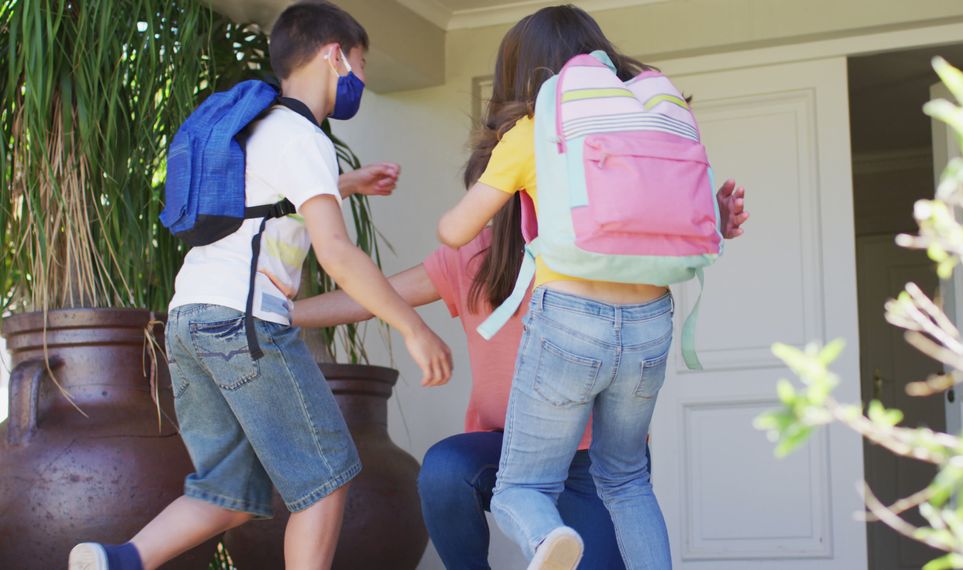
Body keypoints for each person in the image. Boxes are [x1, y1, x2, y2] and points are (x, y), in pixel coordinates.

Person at [67, 2, 452, 569]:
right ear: (335, 56)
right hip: (243, 322)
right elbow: (338, 253)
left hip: (191, 319)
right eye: (362, 64)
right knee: (325, 476)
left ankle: (118, 560)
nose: (362, 79)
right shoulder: (302, 135)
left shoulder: (256, 126)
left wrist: (343, 184)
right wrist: (412, 327)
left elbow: (263, 202)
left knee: (227, 493)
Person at [435, 5, 728, 569]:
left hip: (570, 317)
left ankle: (548, 540)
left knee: (522, 489)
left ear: (520, 75)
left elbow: (456, 231)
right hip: (650, 325)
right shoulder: (655, 119)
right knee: (627, 480)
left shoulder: (532, 130)